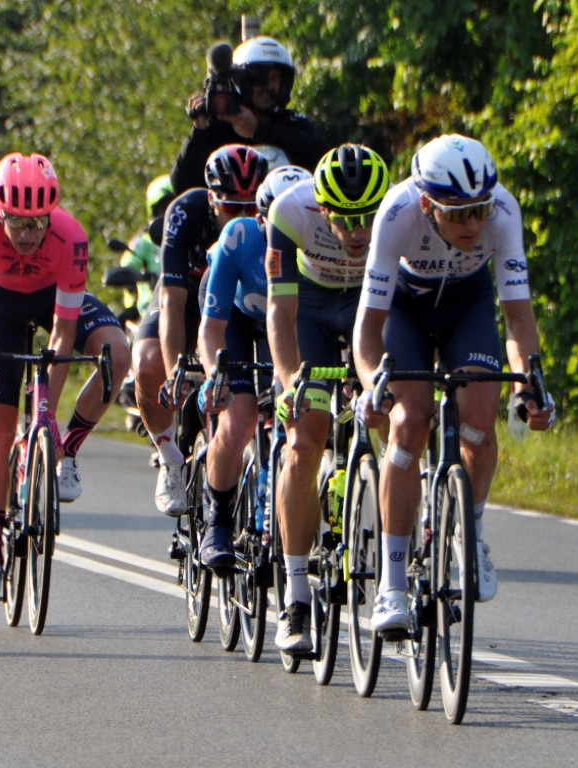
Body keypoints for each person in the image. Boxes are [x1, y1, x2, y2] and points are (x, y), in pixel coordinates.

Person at [351, 134, 553, 635]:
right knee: (408, 423)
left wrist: (530, 383)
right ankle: (392, 586)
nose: (474, 224)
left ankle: (472, 531)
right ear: (427, 204)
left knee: (480, 423)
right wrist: (373, 382)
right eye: (458, 214)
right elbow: (367, 329)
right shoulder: (397, 213)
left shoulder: (504, 213)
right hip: (406, 310)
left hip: (467, 306)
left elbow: (518, 321)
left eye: (480, 210)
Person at [0, 152, 130, 600]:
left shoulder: (70, 236)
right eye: (16, 221)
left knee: (117, 353)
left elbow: (63, 330)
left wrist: (47, 415)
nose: (26, 234)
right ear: (0, 212)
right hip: (0, 303)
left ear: (51, 215)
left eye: (37, 223)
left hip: (53, 300)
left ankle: (68, 450)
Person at [265, 144, 391, 652]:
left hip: (370, 305)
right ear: (322, 209)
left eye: (368, 219)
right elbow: (280, 314)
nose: (359, 233)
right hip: (311, 309)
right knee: (304, 440)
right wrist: (289, 377)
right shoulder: (289, 212)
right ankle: (295, 598)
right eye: (346, 220)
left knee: (397, 413)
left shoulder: (397, 211)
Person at [132, 144, 269, 517]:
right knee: (146, 362)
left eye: (250, 207)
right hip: (187, 298)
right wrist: (176, 368)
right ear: (212, 199)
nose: (242, 216)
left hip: (237, 305)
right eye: (231, 207)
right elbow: (172, 303)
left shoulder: (269, 219)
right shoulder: (186, 211)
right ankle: (169, 456)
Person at [196, 164, 311, 571]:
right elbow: (211, 328)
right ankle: (218, 521)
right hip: (237, 319)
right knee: (240, 417)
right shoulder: (239, 236)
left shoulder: (318, 241)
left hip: (290, 324)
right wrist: (216, 374)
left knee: (301, 410)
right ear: (259, 217)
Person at [169, 36, 328, 194]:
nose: (267, 86)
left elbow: (320, 156)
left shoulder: (293, 123)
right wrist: (200, 130)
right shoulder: (219, 129)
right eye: (259, 78)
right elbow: (183, 186)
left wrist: (258, 130)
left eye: (274, 78)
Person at [117, 174, 174, 321]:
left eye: (174, 206)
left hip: (183, 306)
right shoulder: (144, 241)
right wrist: (134, 274)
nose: (169, 213)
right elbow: (128, 263)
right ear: (154, 210)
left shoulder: (191, 237)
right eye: (164, 208)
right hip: (149, 311)